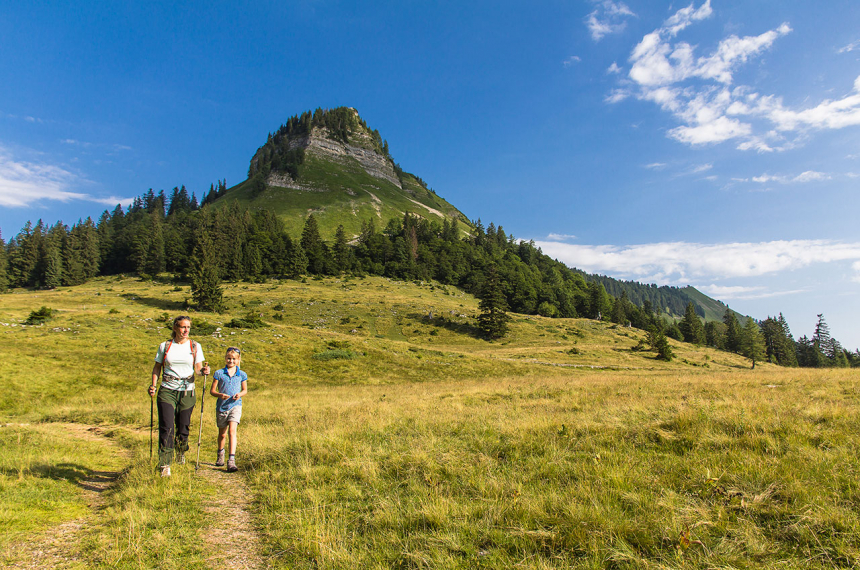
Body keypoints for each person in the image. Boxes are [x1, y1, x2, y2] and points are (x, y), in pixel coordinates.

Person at [149, 315, 210, 477]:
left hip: (187, 391)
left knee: (183, 427)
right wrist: (153, 385)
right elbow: (157, 368)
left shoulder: (195, 346)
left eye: (188, 327)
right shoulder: (165, 346)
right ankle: (164, 463)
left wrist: (203, 372)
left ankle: (181, 450)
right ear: (175, 328)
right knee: (166, 426)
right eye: (183, 327)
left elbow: (197, 369)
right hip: (167, 390)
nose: (186, 330)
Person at [209, 347, 248, 472]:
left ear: (238, 360)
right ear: (225, 359)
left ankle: (231, 460)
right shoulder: (219, 373)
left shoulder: (241, 374)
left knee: (232, 431)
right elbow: (212, 391)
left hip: (235, 405)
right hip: (222, 406)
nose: (231, 361)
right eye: (229, 358)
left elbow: (245, 390)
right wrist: (220, 395)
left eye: (234, 359)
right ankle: (220, 454)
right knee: (222, 433)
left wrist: (239, 395)